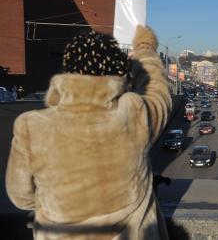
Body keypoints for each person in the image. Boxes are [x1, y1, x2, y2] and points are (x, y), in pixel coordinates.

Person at [6, 25, 171, 239]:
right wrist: (145, 48)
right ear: (119, 74)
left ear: (67, 71)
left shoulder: (32, 126)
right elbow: (158, 92)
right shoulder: (132, 114)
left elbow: (20, 196)